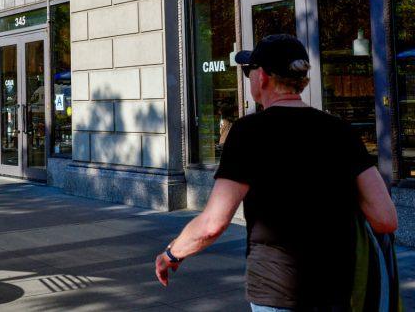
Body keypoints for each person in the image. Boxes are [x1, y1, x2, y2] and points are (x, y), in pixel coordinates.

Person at [154, 34, 398, 311]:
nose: (248, 77)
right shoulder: (340, 131)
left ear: (262, 77)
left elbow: (212, 224)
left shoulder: (248, 133)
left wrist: (172, 253)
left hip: (278, 290)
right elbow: (386, 219)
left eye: (248, 70)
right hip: (338, 289)